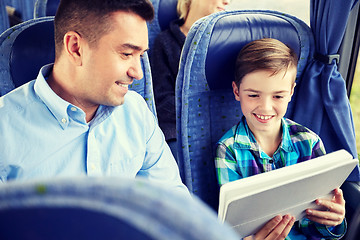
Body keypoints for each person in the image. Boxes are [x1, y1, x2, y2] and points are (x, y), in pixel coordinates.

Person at [0, 0, 188, 195]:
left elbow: (175, 204)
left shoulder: (135, 112)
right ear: (75, 48)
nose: (138, 73)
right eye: (126, 54)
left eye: (140, 56)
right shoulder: (5, 132)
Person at [215, 38, 347, 239]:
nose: (265, 107)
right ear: (237, 91)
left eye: (277, 96)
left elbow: (315, 219)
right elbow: (234, 226)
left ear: (291, 92)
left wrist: (332, 220)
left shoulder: (310, 143)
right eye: (253, 95)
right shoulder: (228, 150)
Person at [150, 0, 231, 159]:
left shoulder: (225, 41)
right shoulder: (165, 42)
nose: (227, 1)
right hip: (178, 129)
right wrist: (201, 115)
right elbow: (162, 101)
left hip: (220, 126)